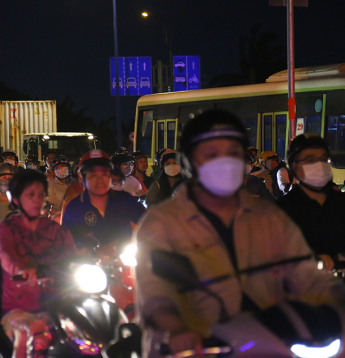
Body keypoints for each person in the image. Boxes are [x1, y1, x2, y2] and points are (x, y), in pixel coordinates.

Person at [134, 110, 345, 358]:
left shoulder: (270, 218)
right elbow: (155, 295)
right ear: (190, 161)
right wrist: (176, 329)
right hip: (198, 349)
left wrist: (338, 300)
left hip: (271, 342)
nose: (224, 161)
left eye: (233, 153)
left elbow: (307, 276)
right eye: (211, 154)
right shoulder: (162, 223)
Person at [0, 170, 76, 356]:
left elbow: (70, 254)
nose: (36, 200)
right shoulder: (8, 228)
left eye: (40, 194)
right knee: (25, 336)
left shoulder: (55, 229)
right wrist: (22, 270)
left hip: (57, 297)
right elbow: (7, 255)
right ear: (16, 199)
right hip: (20, 302)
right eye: (30, 195)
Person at [277, 134, 345, 270]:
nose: (319, 165)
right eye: (310, 160)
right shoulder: (281, 211)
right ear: (293, 166)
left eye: (323, 159)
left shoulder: (341, 203)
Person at [62, 150, 144, 249]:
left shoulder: (126, 200)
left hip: (123, 259)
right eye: (93, 175)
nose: (100, 180)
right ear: (83, 179)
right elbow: (64, 242)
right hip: (89, 261)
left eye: (104, 174)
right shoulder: (74, 207)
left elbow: (149, 224)